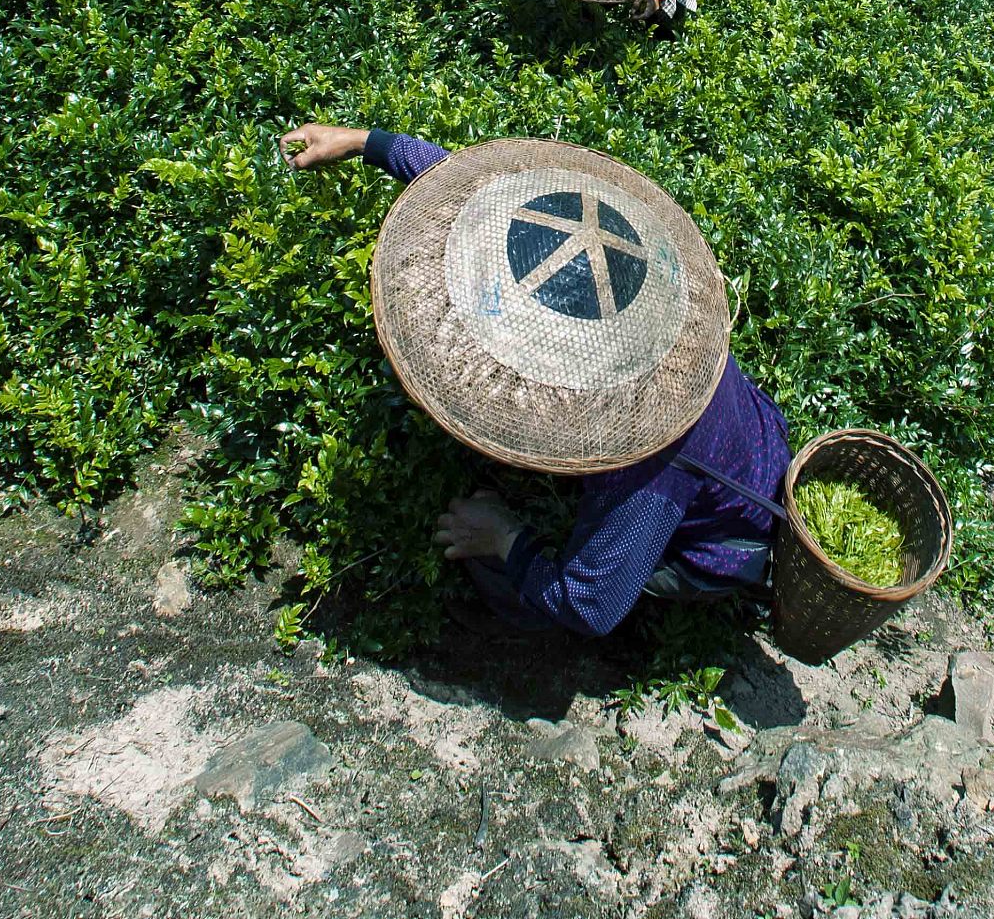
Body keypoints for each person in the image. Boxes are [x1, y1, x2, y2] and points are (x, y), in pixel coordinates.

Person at [282, 120, 789, 637]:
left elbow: (591, 607)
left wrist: (503, 537)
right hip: (758, 437)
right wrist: (364, 142)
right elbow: (473, 201)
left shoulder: (645, 458)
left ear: (578, 363)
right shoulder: (668, 313)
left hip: (721, 546)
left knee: (518, 594)